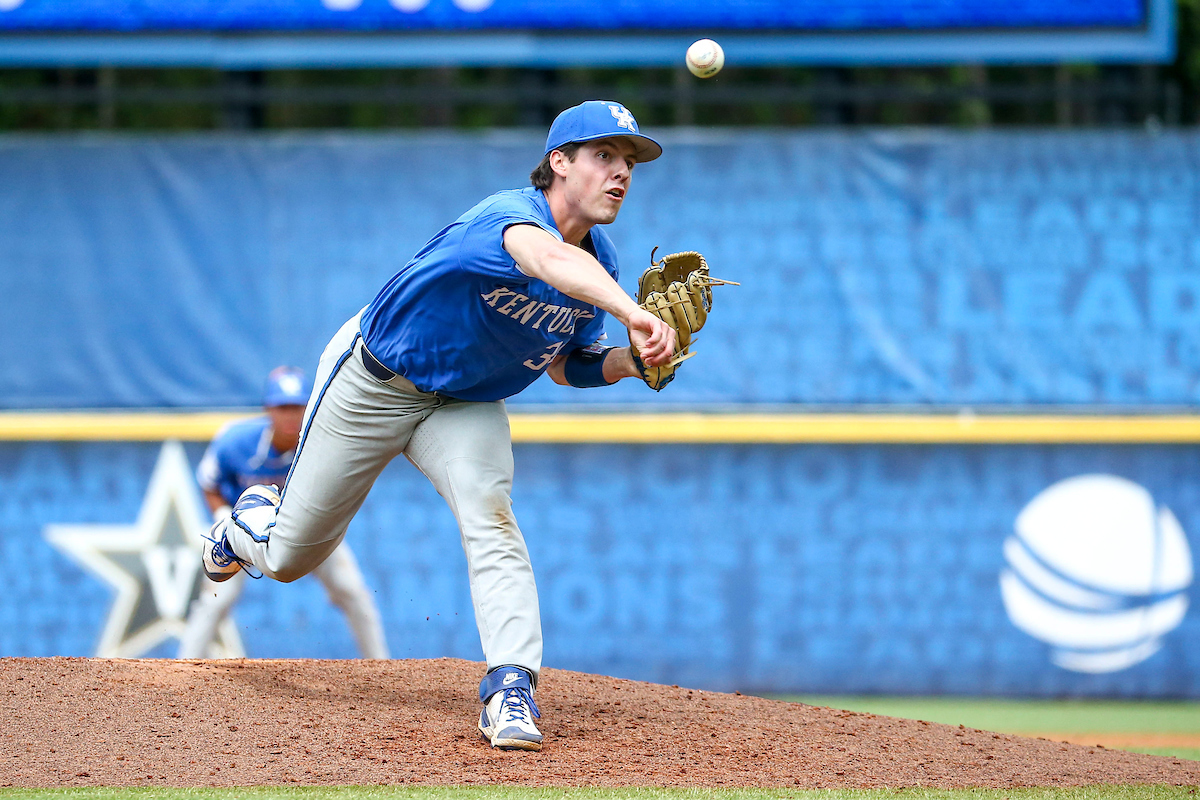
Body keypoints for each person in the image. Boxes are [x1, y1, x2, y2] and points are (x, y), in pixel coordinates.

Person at [201, 100, 676, 751]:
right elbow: (547, 261)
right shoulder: (507, 218)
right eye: (603, 157)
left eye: (628, 163)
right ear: (557, 163)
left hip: (466, 404)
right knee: (289, 558)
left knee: (492, 514)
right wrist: (633, 311)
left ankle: (511, 687)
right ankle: (244, 523)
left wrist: (631, 361)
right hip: (374, 382)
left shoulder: (603, 266)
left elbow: (568, 365)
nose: (620, 173)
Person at [181, 366, 389, 660]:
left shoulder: (323, 446)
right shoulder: (236, 440)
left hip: (304, 527)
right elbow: (209, 483)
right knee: (217, 597)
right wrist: (223, 516)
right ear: (269, 409)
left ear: (309, 408)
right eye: (283, 407)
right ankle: (185, 666)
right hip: (244, 529)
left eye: (297, 407)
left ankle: (381, 665)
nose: (290, 415)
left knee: (352, 590)